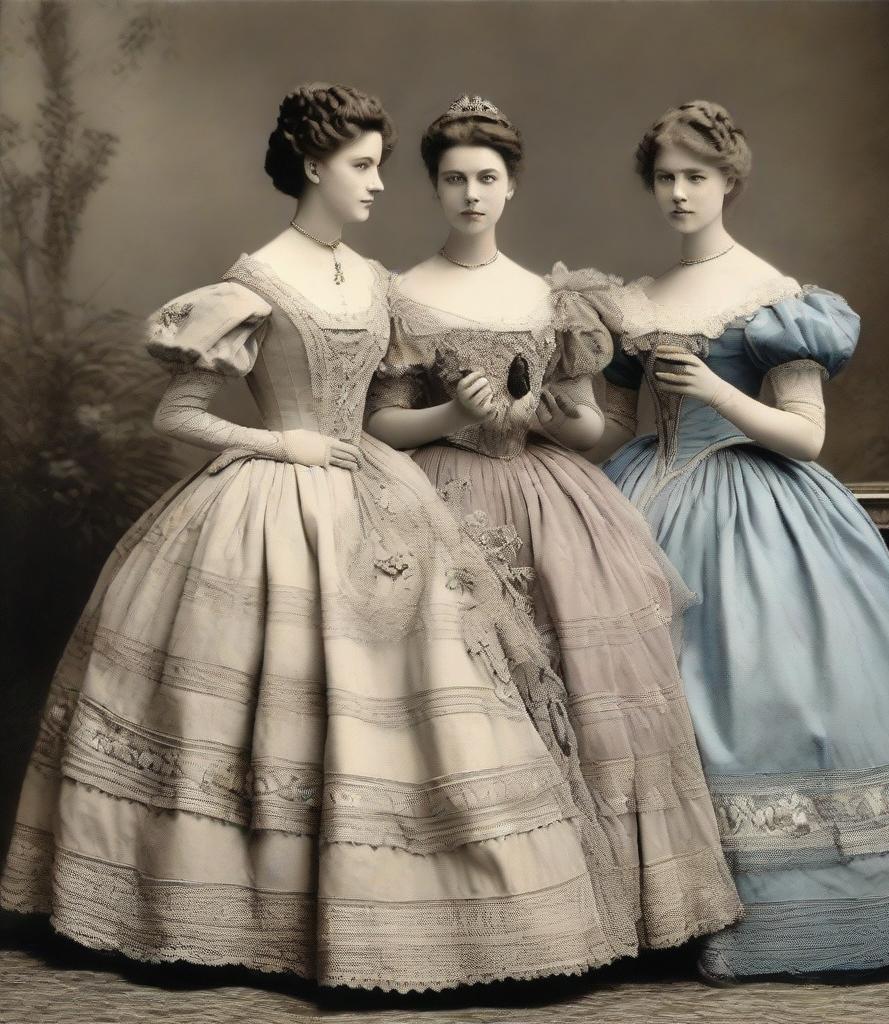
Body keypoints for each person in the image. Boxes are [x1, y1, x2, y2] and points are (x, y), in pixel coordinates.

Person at [1, 84, 654, 992]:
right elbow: (176, 410)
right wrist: (285, 443)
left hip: (378, 493)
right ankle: (243, 908)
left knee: (428, 696)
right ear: (313, 167)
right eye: (362, 166)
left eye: (383, 166)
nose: (381, 185)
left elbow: (391, 408)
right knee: (261, 698)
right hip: (272, 494)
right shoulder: (253, 280)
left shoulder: (374, 280)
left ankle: (427, 914)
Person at [584, 99, 889, 980]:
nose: (678, 192)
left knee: (766, 691)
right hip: (640, 501)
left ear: (729, 183)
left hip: (757, 510)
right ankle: (656, 907)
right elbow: (621, 423)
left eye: (696, 178)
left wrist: (711, 387)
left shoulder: (775, 299)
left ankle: (790, 911)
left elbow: (804, 435)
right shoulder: (635, 300)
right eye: (665, 178)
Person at [365, 95, 743, 955]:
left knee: (590, 687)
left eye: (487, 179)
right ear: (433, 187)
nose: (471, 195)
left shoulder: (551, 296)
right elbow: (379, 426)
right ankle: (476, 913)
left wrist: (538, 413)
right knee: (456, 696)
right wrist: (452, 418)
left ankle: (597, 909)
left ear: (511, 189)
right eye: (455, 179)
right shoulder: (402, 296)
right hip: (436, 501)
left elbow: (596, 430)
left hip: (549, 503)